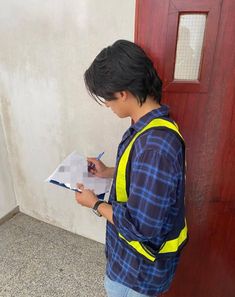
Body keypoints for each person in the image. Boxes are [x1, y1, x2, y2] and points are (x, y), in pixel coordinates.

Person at [75, 40, 188, 297]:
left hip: (138, 272)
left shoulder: (155, 146)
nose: (107, 105)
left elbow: (144, 228)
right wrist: (107, 172)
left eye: (107, 98)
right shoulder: (148, 126)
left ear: (123, 93)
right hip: (130, 261)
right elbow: (144, 177)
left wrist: (95, 204)